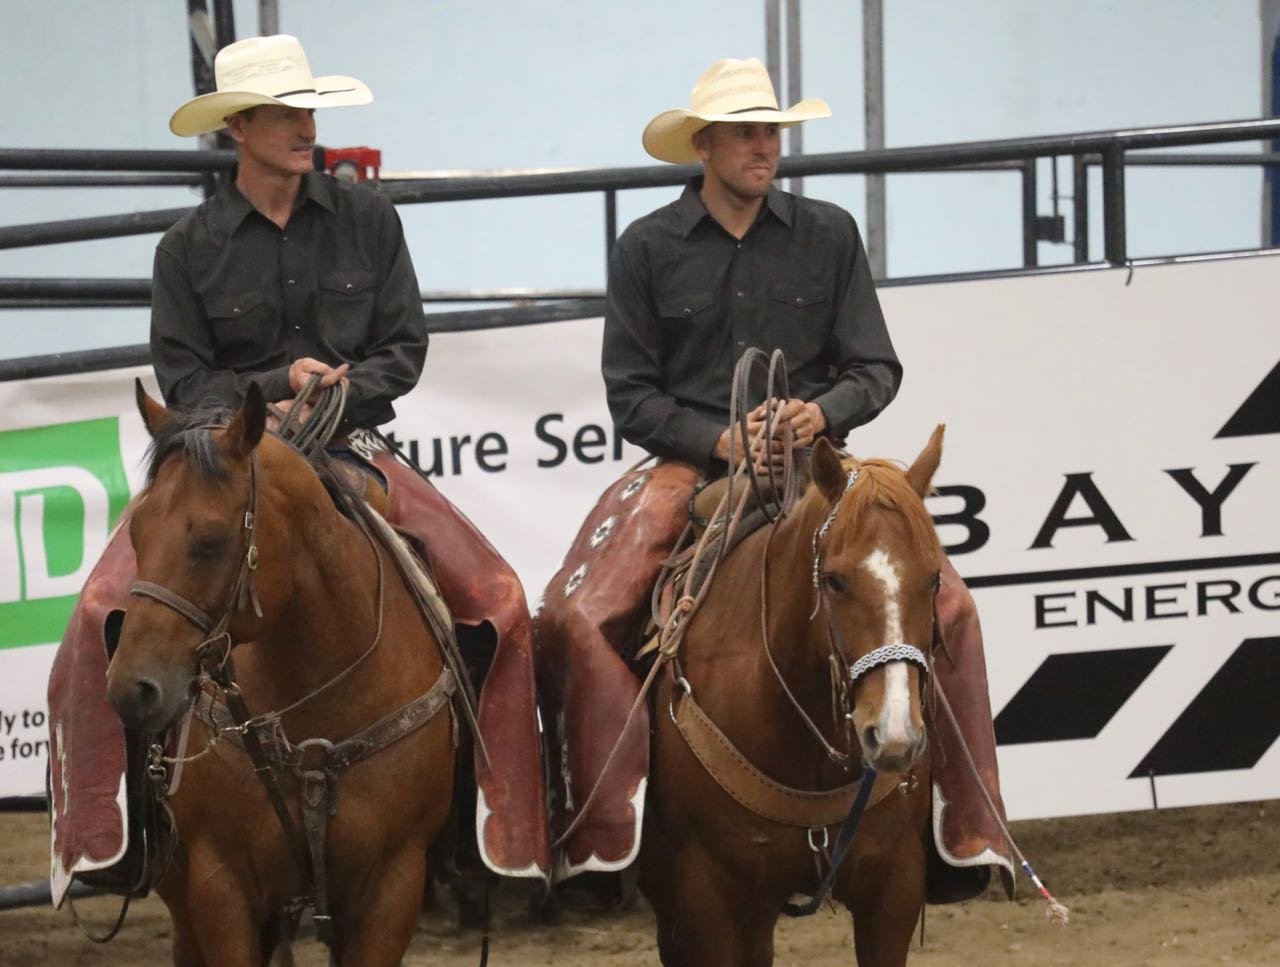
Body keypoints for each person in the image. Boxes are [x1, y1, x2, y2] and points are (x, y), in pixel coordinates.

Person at [47, 35, 549, 904]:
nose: (304, 126)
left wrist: (340, 393)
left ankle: (479, 832)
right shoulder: (187, 247)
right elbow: (184, 377)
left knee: (496, 597)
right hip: (221, 459)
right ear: (239, 128)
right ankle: (118, 836)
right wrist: (272, 392)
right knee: (101, 609)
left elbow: (403, 348)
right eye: (284, 113)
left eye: (308, 110)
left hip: (348, 445)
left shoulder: (368, 219)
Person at [535, 57, 1013, 899]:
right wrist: (723, 438)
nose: (764, 147)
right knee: (583, 614)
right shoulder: (647, 247)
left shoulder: (828, 233)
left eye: (772, 132)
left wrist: (817, 415)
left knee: (952, 608)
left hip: (822, 466)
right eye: (746, 134)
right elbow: (632, 396)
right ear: (704, 146)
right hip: (693, 465)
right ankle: (603, 833)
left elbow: (875, 367)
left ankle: (966, 830)